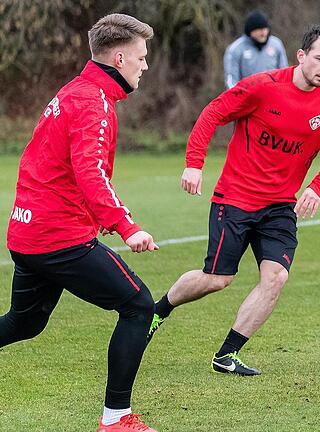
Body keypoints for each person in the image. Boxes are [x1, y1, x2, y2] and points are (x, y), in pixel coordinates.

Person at [147, 25, 320, 377]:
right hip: (236, 200)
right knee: (217, 279)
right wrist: (194, 164)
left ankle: (227, 354)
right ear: (301, 56)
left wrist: (318, 187)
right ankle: (157, 310)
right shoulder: (262, 87)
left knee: (276, 278)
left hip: (280, 208)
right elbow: (213, 113)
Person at [0, 14, 160, 432]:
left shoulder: (76, 89)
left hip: (28, 231)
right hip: (58, 238)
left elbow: (44, 165)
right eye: (141, 57)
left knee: (25, 322)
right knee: (138, 306)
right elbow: (90, 171)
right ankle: (116, 419)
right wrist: (127, 227)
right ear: (120, 57)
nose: (145, 65)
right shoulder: (93, 101)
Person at [224, 10, 289, 89]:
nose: (263, 33)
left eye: (265, 29)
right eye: (259, 29)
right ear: (250, 31)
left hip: (272, 95)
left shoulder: (276, 44)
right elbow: (231, 80)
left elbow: (284, 73)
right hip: (248, 97)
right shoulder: (236, 49)